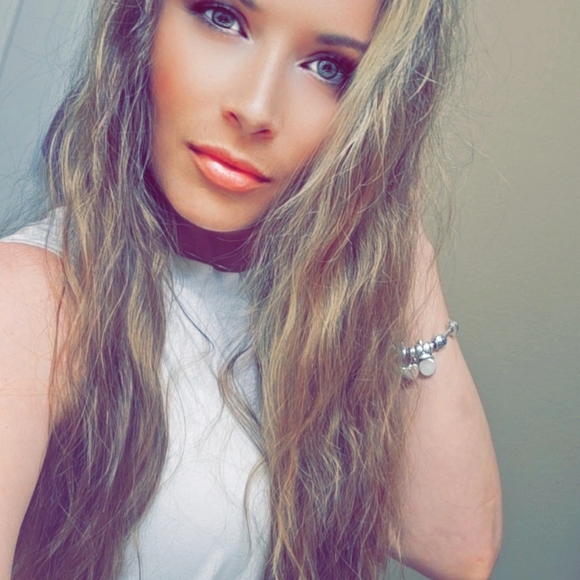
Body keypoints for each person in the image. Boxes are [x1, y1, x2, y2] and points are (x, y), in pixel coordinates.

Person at [0, 0, 502, 578]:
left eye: (329, 68)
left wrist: (383, 202)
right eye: (222, 18)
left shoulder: (312, 316)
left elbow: (458, 548)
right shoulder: (31, 298)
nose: (256, 108)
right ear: (142, 22)